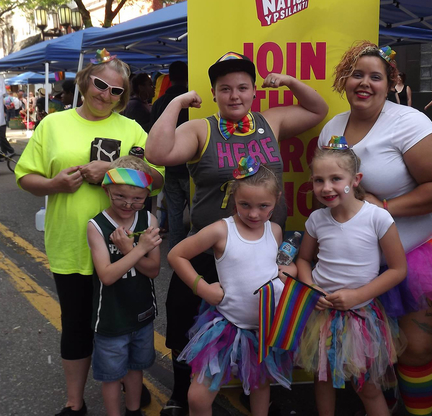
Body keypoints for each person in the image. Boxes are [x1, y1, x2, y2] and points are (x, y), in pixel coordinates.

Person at [146, 52, 328, 416]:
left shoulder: (270, 121)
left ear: (253, 92)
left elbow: (317, 110)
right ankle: (182, 393)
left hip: (266, 248)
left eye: (243, 87)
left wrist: (290, 82)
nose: (234, 95)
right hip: (212, 246)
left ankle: (262, 392)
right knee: (185, 318)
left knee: (264, 321)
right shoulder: (202, 128)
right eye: (225, 88)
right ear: (214, 92)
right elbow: (157, 151)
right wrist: (179, 101)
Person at [318, 42, 432, 416]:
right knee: (377, 346)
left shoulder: (410, 123)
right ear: (345, 78)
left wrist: (383, 209)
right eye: (357, 74)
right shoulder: (332, 127)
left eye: (376, 76)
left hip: (415, 252)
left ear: (391, 83)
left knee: (416, 348)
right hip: (357, 260)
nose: (365, 83)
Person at [15, 48, 164, 416]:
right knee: (78, 325)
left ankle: (132, 389)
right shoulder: (53, 124)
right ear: (85, 82)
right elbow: (25, 177)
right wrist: (54, 185)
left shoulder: (130, 128)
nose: (106, 95)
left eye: (117, 92)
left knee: (128, 322)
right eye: (100, 85)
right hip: (72, 244)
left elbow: (157, 180)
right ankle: (74, 402)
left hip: (124, 248)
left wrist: (113, 169)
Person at [167, 158, 295, 416]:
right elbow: (176, 255)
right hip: (226, 326)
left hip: (264, 327)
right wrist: (202, 288)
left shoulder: (276, 231)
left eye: (263, 206)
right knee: (198, 398)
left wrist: (285, 272)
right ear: (233, 196)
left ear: (276, 200)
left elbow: (275, 266)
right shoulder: (221, 230)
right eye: (245, 205)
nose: (254, 213)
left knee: (260, 385)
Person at [296, 141, 407, 416]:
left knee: (367, 386)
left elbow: (397, 269)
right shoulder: (316, 220)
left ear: (355, 180)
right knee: (321, 377)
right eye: (319, 180)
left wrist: (358, 295)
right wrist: (310, 286)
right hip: (321, 314)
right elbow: (303, 259)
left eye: (336, 179)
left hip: (360, 316)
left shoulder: (378, 218)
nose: (326, 187)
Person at [88, 156, 162, 416]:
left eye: (138, 198)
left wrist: (130, 249)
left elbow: (153, 270)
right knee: (110, 375)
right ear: (106, 189)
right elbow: (107, 276)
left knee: (135, 368)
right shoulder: (96, 226)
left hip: (141, 313)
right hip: (110, 317)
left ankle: (133, 410)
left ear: (146, 195)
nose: (129, 204)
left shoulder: (149, 221)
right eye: (119, 196)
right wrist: (137, 250)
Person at [149, 61, 189, 244]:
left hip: (169, 168)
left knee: (174, 213)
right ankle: (192, 255)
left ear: (169, 78)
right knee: (196, 213)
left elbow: (153, 134)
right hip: (191, 166)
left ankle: (175, 250)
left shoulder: (159, 104)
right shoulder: (192, 101)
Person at [0, 75, 15, 157]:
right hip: (2, 120)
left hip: (1, 121)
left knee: (1, 137)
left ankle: (9, 150)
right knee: (1, 137)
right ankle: (4, 152)